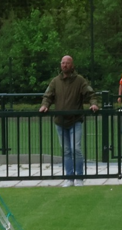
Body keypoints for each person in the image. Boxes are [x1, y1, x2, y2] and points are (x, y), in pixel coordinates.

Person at [39, 55, 100, 187]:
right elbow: (47, 96)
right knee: (66, 150)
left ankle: (79, 177)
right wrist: (45, 105)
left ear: (72, 65)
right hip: (60, 121)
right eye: (63, 63)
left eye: (67, 63)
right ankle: (69, 177)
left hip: (75, 120)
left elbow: (91, 94)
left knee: (76, 149)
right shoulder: (55, 81)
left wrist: (94, 104)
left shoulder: (80, 81)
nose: (65, 65)